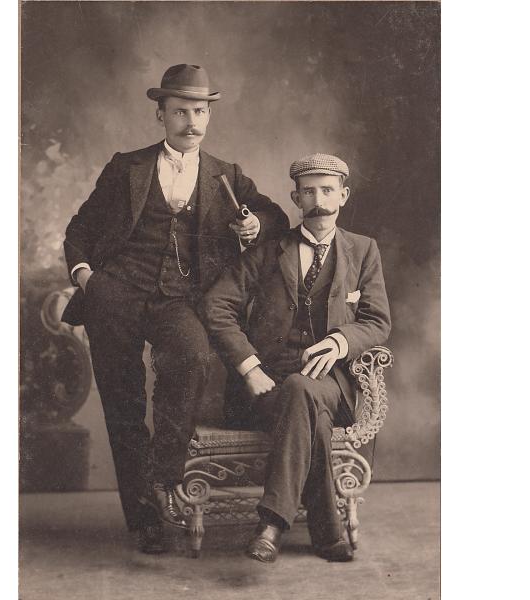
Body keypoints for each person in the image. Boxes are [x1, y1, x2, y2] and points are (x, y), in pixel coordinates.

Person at [61, 64, 289, 553]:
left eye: (200, 111)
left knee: (190, 359)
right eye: (181, 110)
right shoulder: (126, 167)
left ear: (210, 114)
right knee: (122, 404)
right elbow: (79, 229)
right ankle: (144, 519)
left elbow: (273, 214)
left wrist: (255, 226)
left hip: (180, 299)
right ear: (160, 113)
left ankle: (164, 482)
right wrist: (87, 279)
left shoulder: (226, 175)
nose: (192, 121)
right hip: (116, 294)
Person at [202, 153, 391, 563]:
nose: (318, 200)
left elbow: (377, 321)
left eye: (327, 190)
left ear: (343, 195)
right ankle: (328, 532)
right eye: (309, 192)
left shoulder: (363, 250)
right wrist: (248, 366)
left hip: (333, 385)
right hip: (268, 385)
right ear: (295, 198)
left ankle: (272, 523)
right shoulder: (268, 252)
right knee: (305, 403)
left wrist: (341, 341)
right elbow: (217, 304)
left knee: (304, 389)